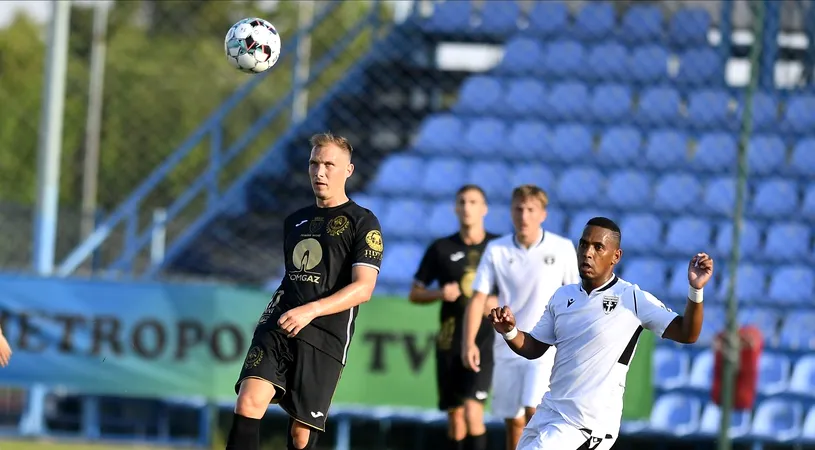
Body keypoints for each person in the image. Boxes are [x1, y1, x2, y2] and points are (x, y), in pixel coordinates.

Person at [489, 217, 712, 450]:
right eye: (584, 244)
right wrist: (510, 331)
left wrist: (696, 289)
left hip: (586, 425)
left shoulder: (632, 299)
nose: (587, 253)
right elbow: (533, 347)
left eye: (598, 247)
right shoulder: (562, 296)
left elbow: (688, 333)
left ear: (616, 256)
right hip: (549, 412)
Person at [225, 133, 383, 450]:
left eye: (329, 164)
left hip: (325, 333)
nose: (319, 172)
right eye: (314, 163)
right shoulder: (296, 221)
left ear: (348, 171)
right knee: (248, 402)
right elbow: (293, 276)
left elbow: (363, 288)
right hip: (282, 321)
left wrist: (311, 310)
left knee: (301, 436)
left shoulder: (363, 222)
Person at [461, 184, 579, 450]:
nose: (524, 216)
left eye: (530, 209)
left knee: (533, 413)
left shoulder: (561, 249)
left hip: (542, 346)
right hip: (506, 346)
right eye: (518, 209)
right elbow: (478, 297)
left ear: (543, 214)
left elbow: (575, 296)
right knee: (513, 421)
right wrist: (468, 343)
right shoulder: (497, 249)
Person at [409, 185, 500, 450]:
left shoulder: (499, 248)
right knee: (456, 418)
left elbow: (517, 289)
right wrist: (439, 293)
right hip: (450, 341)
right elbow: (415, 293)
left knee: (473, 411)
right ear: (455, 208)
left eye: (473, 202)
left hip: (483, 341)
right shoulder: (441, 248)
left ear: (484, 209)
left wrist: (498, 303)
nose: (467, 207)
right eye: (462, 202)